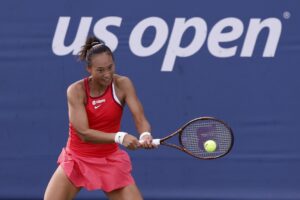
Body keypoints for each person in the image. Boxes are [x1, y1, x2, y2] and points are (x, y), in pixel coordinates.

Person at [44, 36, 155, 200]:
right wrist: (120, 137)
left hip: (109, 160)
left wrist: (145, 134)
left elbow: (139, 118)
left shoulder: (123, 84)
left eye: (110, 67)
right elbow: (83, 133)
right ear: (89, 69)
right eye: (100, 70)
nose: (107, 74)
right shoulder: (76, 91)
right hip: (77, 159)